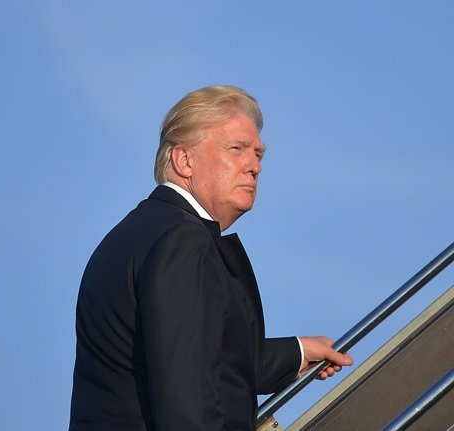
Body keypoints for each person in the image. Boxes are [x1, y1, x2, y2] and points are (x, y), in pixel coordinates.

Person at [69, 85, 353, 430]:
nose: (255, 166)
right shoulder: (182, 241)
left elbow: (202, 357)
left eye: (258, 154)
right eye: (237, 149)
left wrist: (298, 352)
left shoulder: (134, 234)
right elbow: (187, 397)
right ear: (184, 160)